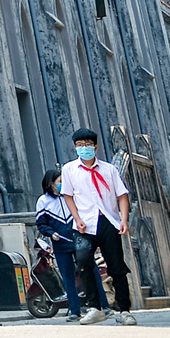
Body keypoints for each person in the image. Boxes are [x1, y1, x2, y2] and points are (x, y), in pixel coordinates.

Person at [60, 127, 136, 325]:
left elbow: (122, 195)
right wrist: (76, 218)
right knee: (84, 262)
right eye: (79, 145)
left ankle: (124, 310)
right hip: (84, 223)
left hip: (107, 221)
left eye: (87, 145)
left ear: (95, 147)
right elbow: (68, 196)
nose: (83, 148)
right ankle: (94, 307)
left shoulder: (109, 170)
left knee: (116, 265)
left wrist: (124, 220)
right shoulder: (69, 169)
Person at [34, 168, 83, 320]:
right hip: (60, 243)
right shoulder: (43, 201)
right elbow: (41, 224)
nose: (62, 185)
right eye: (60, 182)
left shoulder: (70, 196)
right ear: (51, 183)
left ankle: (102, 306)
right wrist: (51, 233)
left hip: (78, 240)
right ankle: (75, 310)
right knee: (68, 277)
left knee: (91, 269)